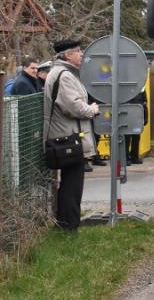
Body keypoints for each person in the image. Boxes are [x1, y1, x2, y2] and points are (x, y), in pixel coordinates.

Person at [43, 39, 100, 231]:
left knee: (71, 182)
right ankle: (68, 226)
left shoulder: (64, 73)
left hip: (68, 136)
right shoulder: (64, 75)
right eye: (78, 51)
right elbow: (72, 106)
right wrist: (91, 109)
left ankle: (67, 223)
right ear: (67, 55)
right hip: (68, 139)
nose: (82, 54)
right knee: (72, 185)